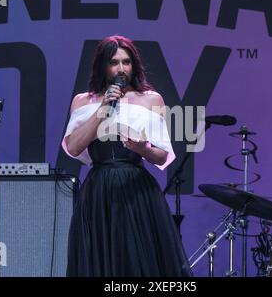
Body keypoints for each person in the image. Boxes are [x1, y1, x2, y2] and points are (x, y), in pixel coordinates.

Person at [62, 35, 192, 277]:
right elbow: (74, 147)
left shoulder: (151, 99)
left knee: (136, 260)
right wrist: (102, 110)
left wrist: (143, 149)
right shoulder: (83, 101)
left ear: (134, 65)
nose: (121, 68)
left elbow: (162, 156)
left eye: (126, 62)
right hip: (99, 190)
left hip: (136, 190)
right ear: (103, 66)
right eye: (114, 62)